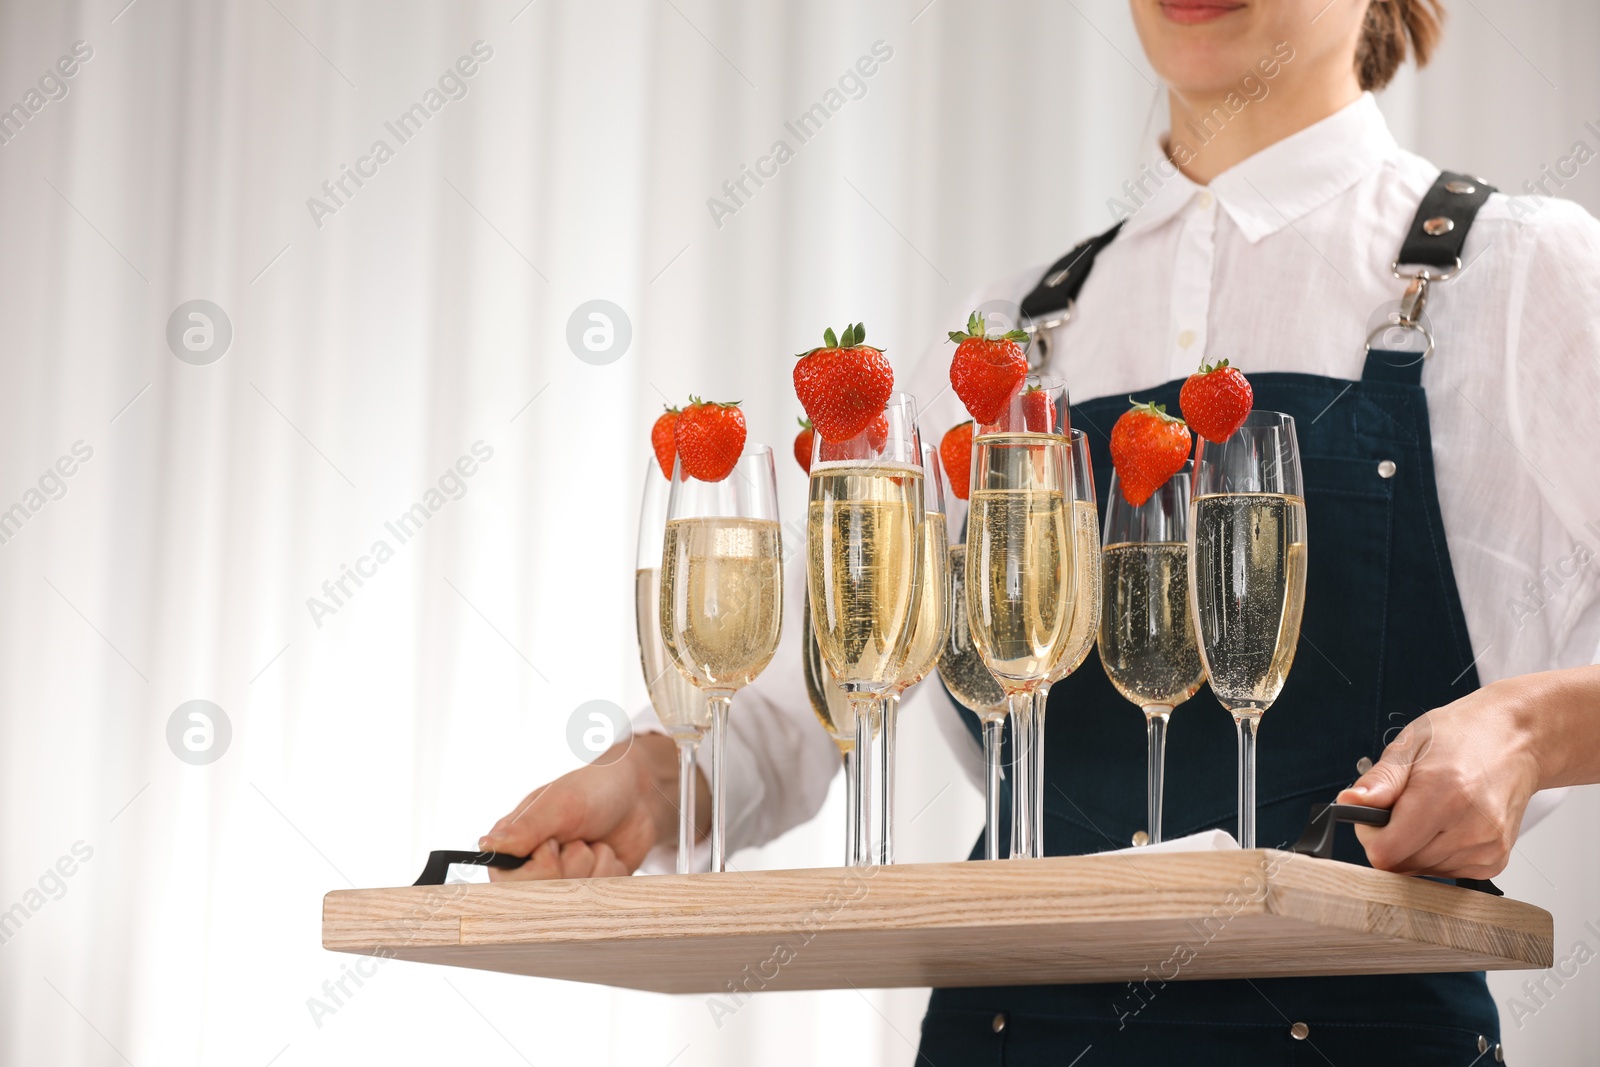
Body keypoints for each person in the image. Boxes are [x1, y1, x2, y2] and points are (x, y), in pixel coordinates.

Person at [481, 0, 1600, 1060]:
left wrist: (1532, 726)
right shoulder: (1014, 333)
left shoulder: (1519, 273)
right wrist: (644, 781)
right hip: (1005, 1035)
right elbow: (812, 686)